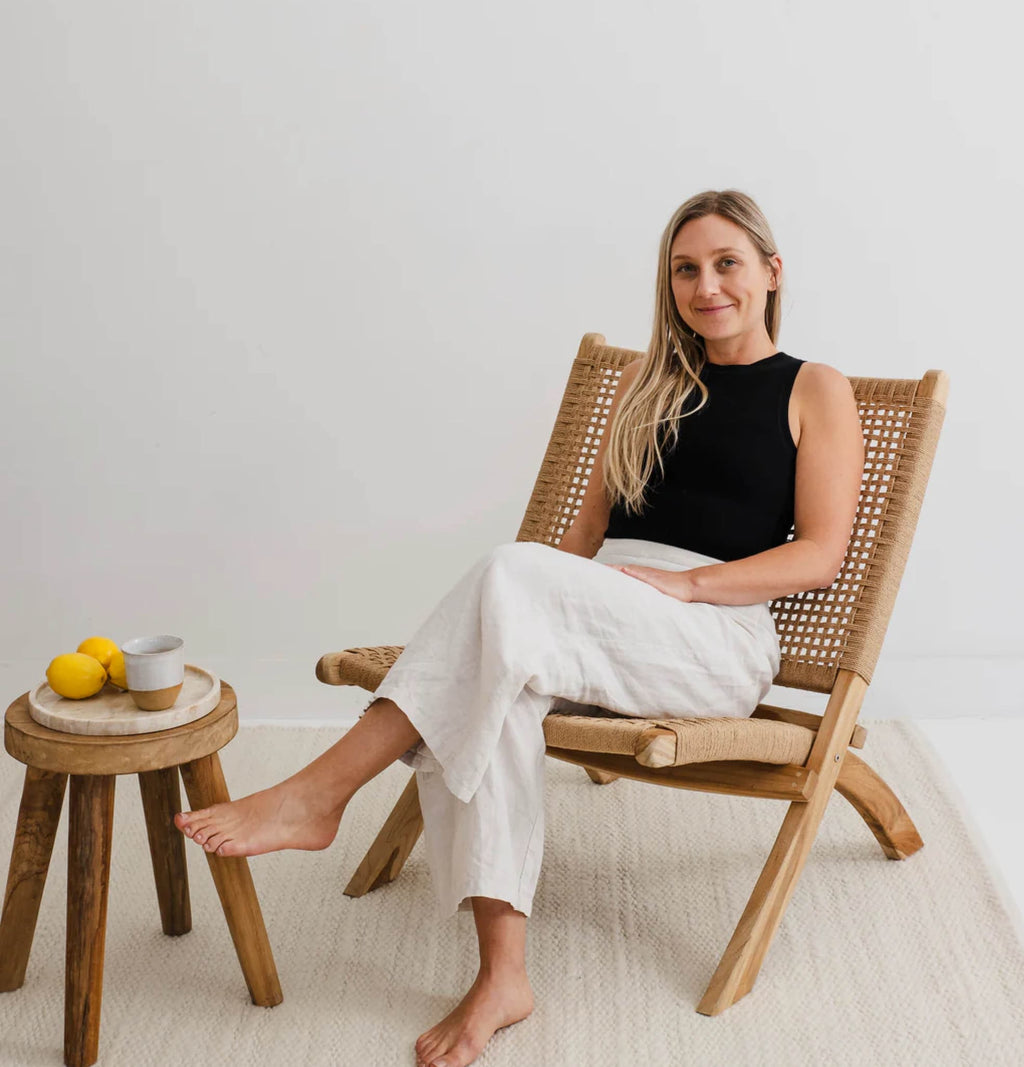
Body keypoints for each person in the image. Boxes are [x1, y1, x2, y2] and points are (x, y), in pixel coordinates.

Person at [174, 188, 865, 1067]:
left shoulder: (813, 387)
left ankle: (320, 793)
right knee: (499, 671)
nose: (706, 285)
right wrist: (534, 607)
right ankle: (503, 975)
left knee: (509, 576)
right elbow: (574, 547)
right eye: (685, 268)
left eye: (727, 262)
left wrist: (687, 586)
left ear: (771, 271)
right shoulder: (644, 385)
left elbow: (821, 555)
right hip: (602, 619)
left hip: (713, 634)